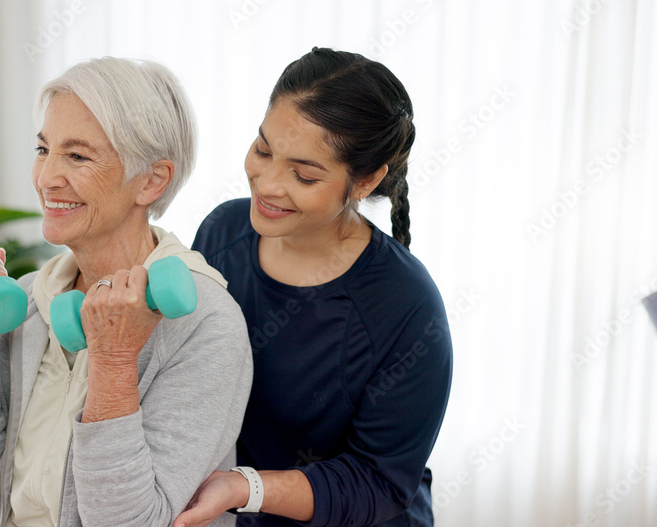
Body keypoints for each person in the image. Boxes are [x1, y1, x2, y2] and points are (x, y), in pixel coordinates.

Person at [0, 57, 253, 527]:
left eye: (78, 156)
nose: (46, 178)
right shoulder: (29, 300)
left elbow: (129, 522)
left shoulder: (206, 324)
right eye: (43, 150)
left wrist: (114, 361)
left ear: (152, 181)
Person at [176, 48, 453, 527]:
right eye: (263, 150)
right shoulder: (222, 232)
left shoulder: (406, 306)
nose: (267, 184)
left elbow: (380, 481)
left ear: (365, 180)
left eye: (303, 174)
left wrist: (246, 486)